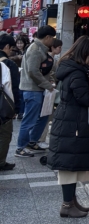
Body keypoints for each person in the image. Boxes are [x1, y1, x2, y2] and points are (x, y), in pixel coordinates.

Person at [48, 35, 89, 218]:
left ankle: (72, 202)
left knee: (72, 163)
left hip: (69, 119)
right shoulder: (77, 71)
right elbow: (83, 98)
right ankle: (67, 204)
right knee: (69, 164)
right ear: (84, 53)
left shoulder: (70, 67)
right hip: (72, 121)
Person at [15, 26, 57, 157]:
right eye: (52, 38)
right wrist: (47, 85)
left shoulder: (39, 48)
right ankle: (20, 147)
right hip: (33, 90)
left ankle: (32, 141)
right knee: (30, 119)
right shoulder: (35, 49)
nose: (53, 42)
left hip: (39, 89)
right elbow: (33, 71)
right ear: (47, 37)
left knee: (43, 117)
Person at [0, 36, 18, 171]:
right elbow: (10, 88)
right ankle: (1, 162)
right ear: (6, 47)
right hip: (2, 107)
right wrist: (13, 108)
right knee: (4, 134)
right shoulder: (5, 65)